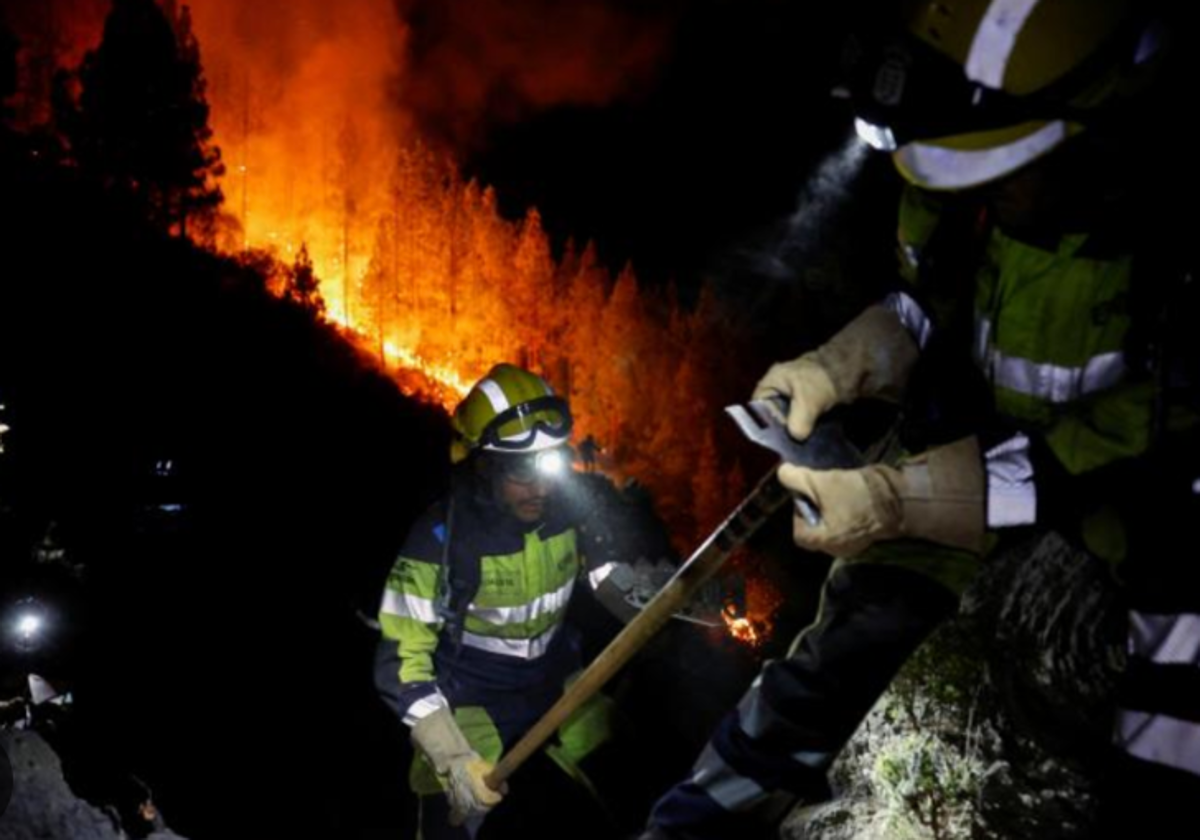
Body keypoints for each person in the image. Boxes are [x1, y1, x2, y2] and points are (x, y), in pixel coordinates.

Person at [638, 2, 1193, 837]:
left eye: (1003, 176)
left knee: (1168, 741)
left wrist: (900, 496)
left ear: (1088, 135)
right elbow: (928, 300)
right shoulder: (963, 172)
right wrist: (837, 365)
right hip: (964, 452)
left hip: (1150, 524)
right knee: (835, 657)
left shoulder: (1168, 235)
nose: (982, 196)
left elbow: (1111, 449)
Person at [374, 363, 648, 839]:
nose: (541, 487)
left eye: (550, 463)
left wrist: (671, 595)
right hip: (471, 703)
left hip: (560, 687)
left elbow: (611, 576)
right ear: (486, 467)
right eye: (522, 470)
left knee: (631, 778)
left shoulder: (568, 513)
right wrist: (451, 756)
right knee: (457, 816)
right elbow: (399, 664)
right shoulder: (439, 541)